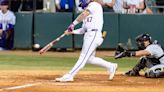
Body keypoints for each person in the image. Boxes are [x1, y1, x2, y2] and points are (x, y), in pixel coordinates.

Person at [55, 0, 118, 82]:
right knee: (89, 59)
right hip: (89, 35)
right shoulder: (87, 13)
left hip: (94, 34)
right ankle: (111, 66)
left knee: (83, 57)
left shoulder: (94, 4)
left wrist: (73, 24)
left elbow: (84, 14)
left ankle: (70, 75)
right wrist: (72, 32)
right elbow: (83, 29)